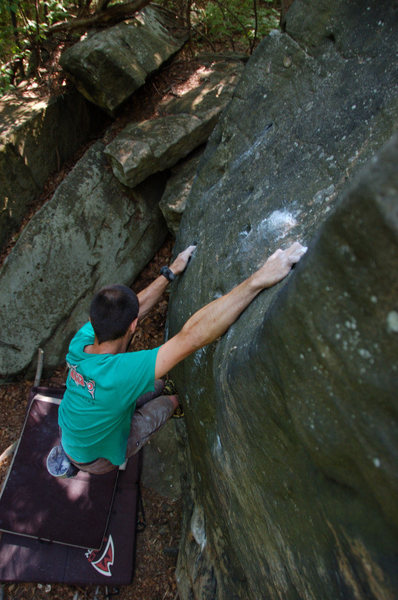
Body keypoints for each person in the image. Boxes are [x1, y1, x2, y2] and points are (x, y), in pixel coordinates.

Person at [48, 241, 307, 477]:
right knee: (167, 400)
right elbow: (191, 337)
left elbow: (130, 309)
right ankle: (175, 403)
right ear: (133, 326)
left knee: (157, 383)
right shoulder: (120, 374)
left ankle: (156, 394)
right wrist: (259, 279)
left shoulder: (79, 344)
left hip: (72, 431)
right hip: (98, 458)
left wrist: (170, 272)